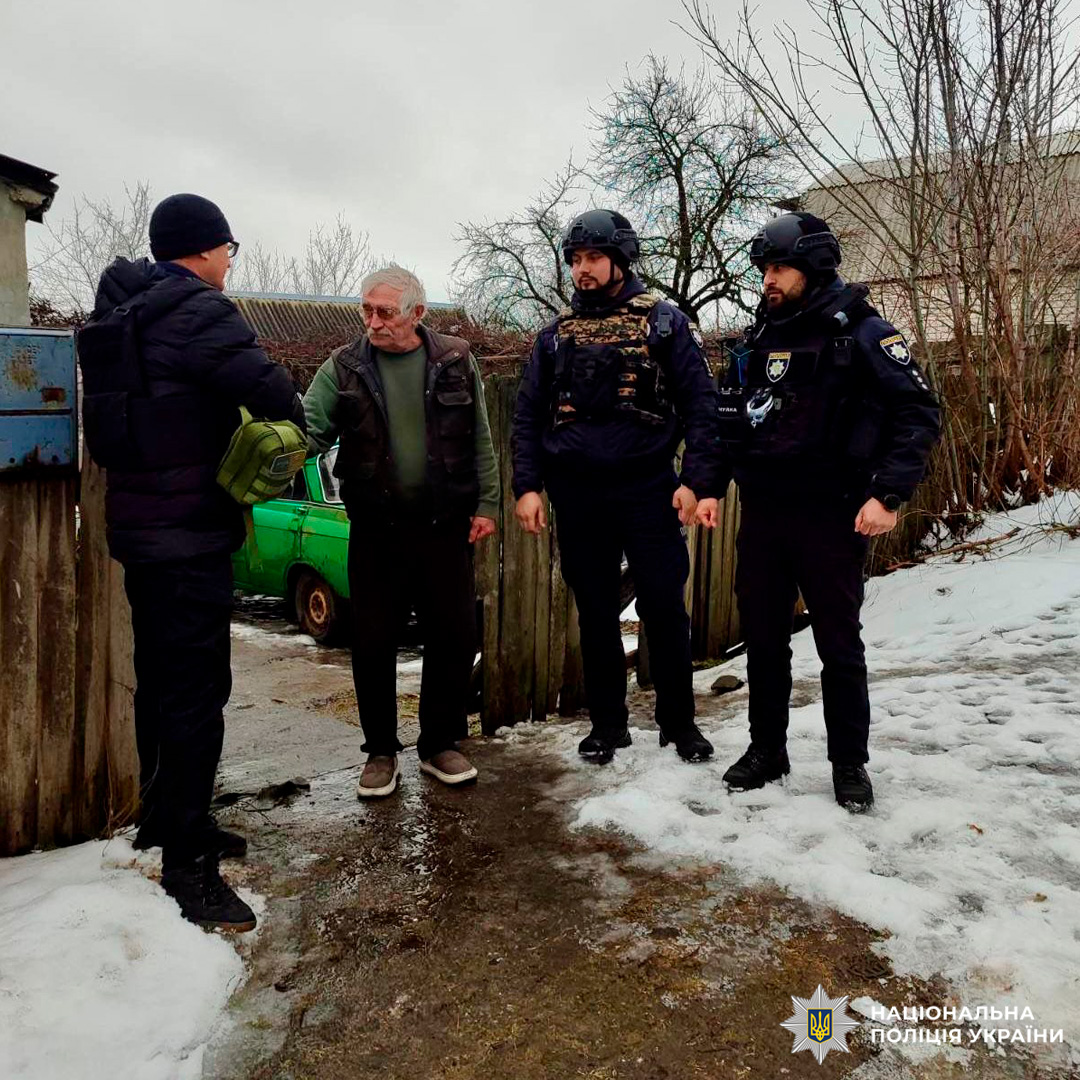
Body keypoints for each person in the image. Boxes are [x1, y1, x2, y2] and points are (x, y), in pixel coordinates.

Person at [77, 193, 306, 930]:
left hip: (141, 532)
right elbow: (272, 391)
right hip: (188, 537)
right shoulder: (199, 311)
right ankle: (189, 867)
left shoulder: (121, 311)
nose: (230, 264)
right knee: (196, 693)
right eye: (228, 250)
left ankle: (167, 819)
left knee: (161, 684)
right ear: (205, 250)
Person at [716, 211, 940, 810]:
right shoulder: (757, 338)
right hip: (764, 514)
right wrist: (705, 486)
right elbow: (727, 419)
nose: (768, 278)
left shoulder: (864, 333)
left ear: (813, 267)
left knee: (839, 645)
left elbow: (919, 414)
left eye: (779, 267)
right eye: (764, 268)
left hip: (833, 514)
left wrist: (888, 495)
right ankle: (767, 750)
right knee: (764, 640)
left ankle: (849, 765)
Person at [512, 209, 721, 766]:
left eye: (594, 258)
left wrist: (695, 481)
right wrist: (526, 486)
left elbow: (703, 406)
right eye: (576, 260)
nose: (583, 269)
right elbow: (528, 414)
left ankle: (679, 725)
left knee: (662, 607)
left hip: (648, 487)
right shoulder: (555, 337)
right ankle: (608, 726)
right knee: (596, 611)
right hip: (577, 493)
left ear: (620, 259)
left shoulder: (664, 323)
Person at [303, 266, 499, 797]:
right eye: (366, 310)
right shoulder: (341, 368)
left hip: (444, 527)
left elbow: (480, 434)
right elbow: (309, 430)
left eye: (384, 311)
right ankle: (381, 752)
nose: (372, 322)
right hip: (376, 530)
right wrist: (274, 446)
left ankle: (440, 743)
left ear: (417, 312)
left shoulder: (456, 360)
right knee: (372, 641)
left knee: (452, 636)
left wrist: (487, 503)